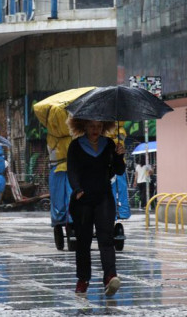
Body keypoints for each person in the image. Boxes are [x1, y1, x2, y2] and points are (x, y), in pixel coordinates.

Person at [66, 117, 125, 297]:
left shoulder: (108, 144)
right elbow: (72, 170)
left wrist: (119, 156)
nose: (95, 129)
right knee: (83, 242)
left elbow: (118, 170)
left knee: (106, 238)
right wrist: (77, 189)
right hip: (82, 199)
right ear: (84, 126)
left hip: (104, 198)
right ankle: (83, 280)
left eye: (99, 126)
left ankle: (110, 277)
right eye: (92, 126)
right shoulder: (76, 146)